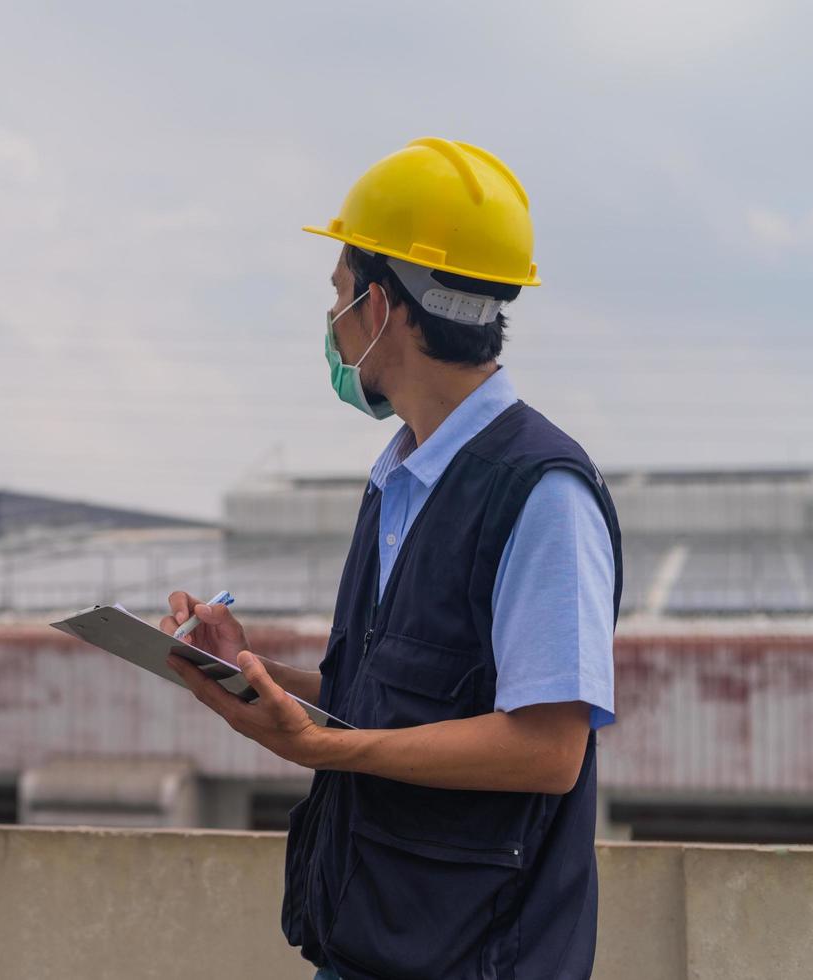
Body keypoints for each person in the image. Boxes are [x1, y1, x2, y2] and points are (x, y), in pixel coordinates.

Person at [162, 138, 621, 980]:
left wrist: (325, 750)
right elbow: (389, 702)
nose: (333, 323)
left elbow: (547, 751)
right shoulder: (404, 477)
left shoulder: (539, 492)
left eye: (337, 296)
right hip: (369, 947)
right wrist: (249, 670)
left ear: (377, 308)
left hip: (473, 962)